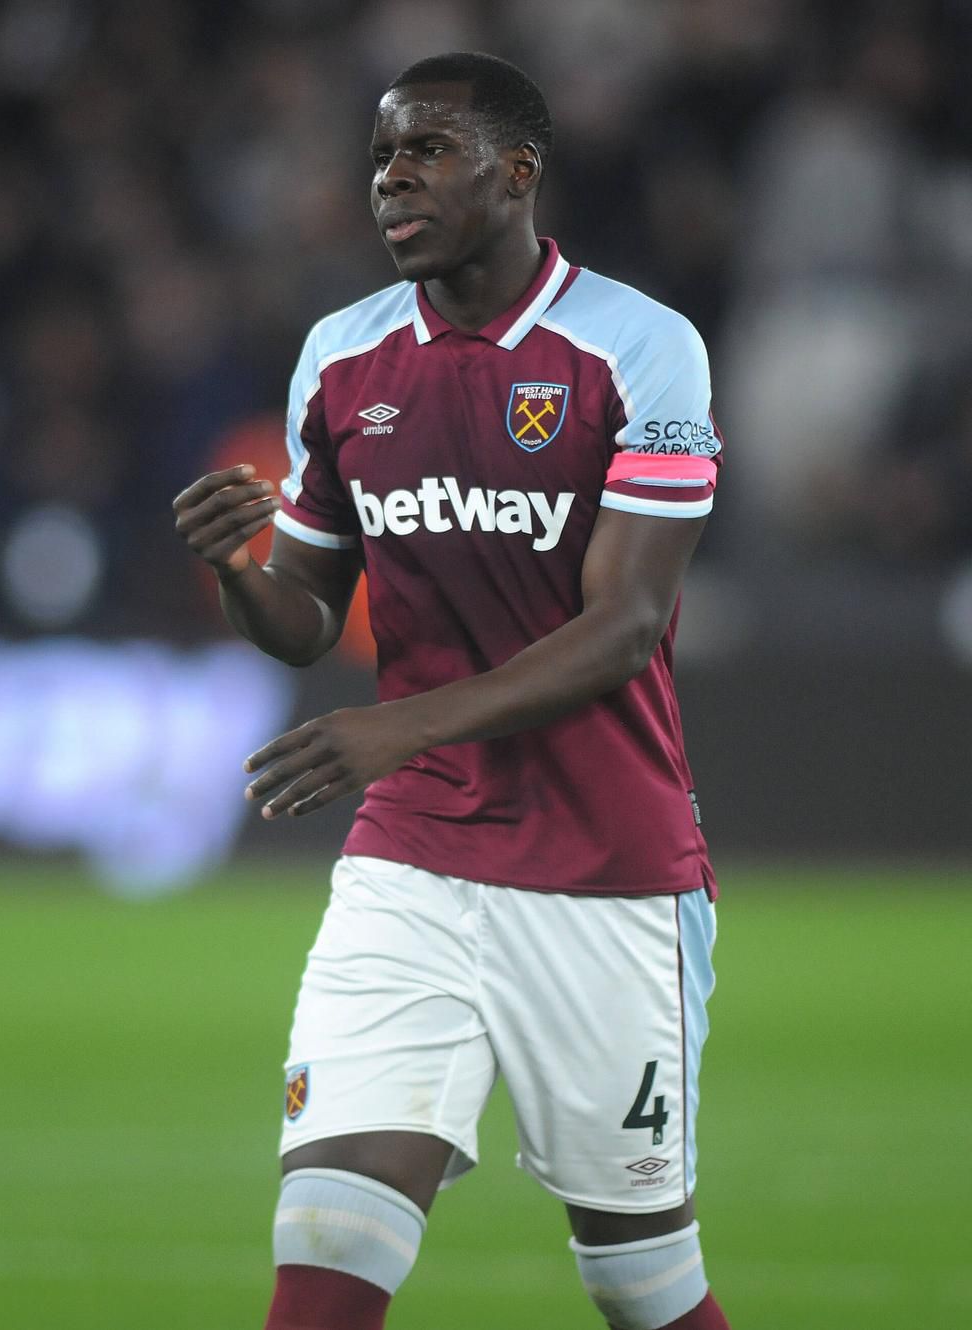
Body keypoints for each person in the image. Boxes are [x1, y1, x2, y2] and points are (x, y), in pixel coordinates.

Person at [173, 51, 730, 1330]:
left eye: (424, 149)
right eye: (380, 156)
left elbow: (625, 625)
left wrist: (396, 723)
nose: (392, 179)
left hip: (606, 870)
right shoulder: (343, 356)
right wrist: (235, 572)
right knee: (325, 1231)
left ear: (517, 170)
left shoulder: (640, 347)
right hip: (410, 857)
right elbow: (308, 621)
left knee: (640, 1278)